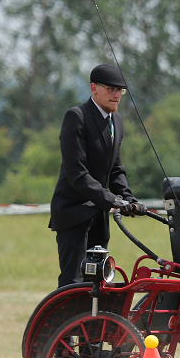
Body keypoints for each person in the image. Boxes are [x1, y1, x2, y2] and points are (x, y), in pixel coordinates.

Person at [49, 64, 147, 288]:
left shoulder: (117, 121)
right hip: (74, 213)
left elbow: (115, 169)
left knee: (97, 283)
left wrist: (128, 198)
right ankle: (65, 324)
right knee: (73, 283)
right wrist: (113, 201)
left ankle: (93, 324)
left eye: (120, 90)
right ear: (94, 88)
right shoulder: (77, 117)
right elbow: (77, 174)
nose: (116, 95)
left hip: (99, 216)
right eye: (111, 89)